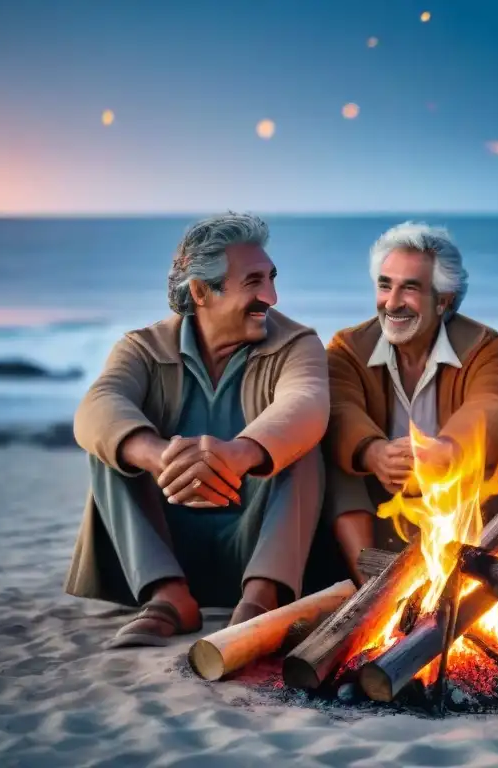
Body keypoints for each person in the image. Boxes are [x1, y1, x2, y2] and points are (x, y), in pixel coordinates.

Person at [66, 213, 330, 648]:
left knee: (303, 447)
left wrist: (240, 453)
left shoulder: (296, 344)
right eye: (253, 282)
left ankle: (261, 602)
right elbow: (97, 406)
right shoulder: (142, 348)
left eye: (271, 278)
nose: (272, 296)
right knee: (111, 444)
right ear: (201, 291)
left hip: (260, 545)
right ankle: (169, 599)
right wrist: (157, 454)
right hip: (167, 545)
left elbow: (306, 403)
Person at [323, 222, 498, 582]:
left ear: (443, 300)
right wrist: (372, 452)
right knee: (335, 465)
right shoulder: (347, 348)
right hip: (378, 514)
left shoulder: (484, 346)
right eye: (385, 285)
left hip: (455, 510)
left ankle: (465, 584)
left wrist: (445, 450)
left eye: (409, 288)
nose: (392, 303)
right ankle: (368, 589)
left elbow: (491, 405)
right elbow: (338, 409)